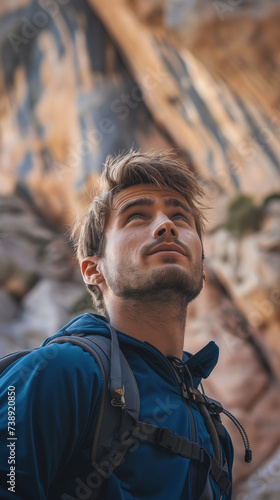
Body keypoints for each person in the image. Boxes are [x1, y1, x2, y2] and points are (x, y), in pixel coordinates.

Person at [0, 150, 233, 499]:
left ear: (200, 267)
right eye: (136, 217)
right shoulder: (61, 372)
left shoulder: (214, 429)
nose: (166, 226)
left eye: (180, 217)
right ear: (94, 270)